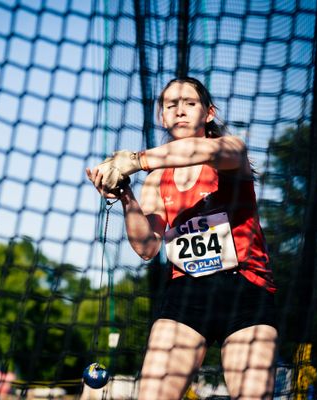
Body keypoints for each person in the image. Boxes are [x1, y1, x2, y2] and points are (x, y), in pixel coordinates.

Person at [86, 77, 278, 399]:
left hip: (245, 287)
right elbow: (147, 247)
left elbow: (197, 151)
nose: (180, 111)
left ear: (209, 113)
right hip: (187, 292)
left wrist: (133, 161)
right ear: (162, 117)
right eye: (170, 105)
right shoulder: (157, 179)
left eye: (190, 103)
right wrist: (126, 195)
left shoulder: (231, 151)